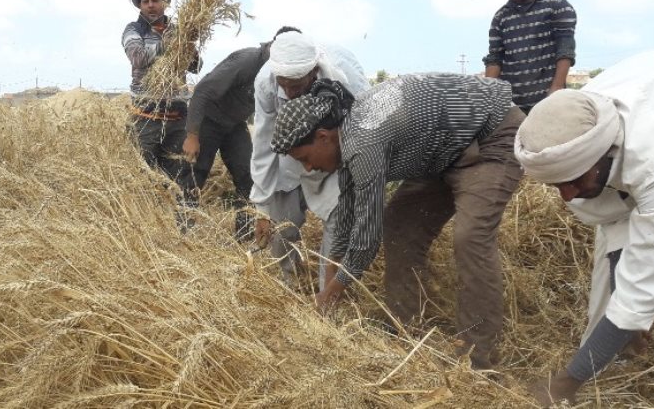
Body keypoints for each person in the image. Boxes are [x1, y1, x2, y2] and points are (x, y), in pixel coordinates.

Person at [513, 43, 654, 406]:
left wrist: (568, 381)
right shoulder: (579, 120)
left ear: (604, 154)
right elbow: (620, 225)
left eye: (573, 181)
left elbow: (648, 272)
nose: (567, 197)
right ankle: (608, 354)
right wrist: (628, 324)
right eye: (557, 185)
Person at [271, 73, 525, 369]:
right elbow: (347, 215)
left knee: (470, 238)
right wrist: (328, 282)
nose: (309, 167)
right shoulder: (348, 136)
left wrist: (333, 292)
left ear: (323, 136)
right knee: (400, 225)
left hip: (491, 135)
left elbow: (366, 237)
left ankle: (478, 360)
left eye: (305, 158)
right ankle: (405, 332)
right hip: (442, 152)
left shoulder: (363, 141)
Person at [250, 31, 369, 286]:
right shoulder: (265, 83)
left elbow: (364, 132)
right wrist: (262, 208)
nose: (290, 92)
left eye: (297, 85)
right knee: (282, 228)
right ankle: (290, 282)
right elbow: (263, 143)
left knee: (339, 222)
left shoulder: (345, 76)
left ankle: (328, 296)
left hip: (334, 159)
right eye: (284, 84)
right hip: (290, 159)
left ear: (314, 71)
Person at [182, 27, 300, 241]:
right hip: (209, 121)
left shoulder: (282, 72)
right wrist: (192, 135)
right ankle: (182, 231)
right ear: (274, 45)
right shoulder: (247, 61)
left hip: (234, 125)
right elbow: (202, 91)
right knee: (195, 173)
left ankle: (243, 236)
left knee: (248, 175)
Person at [122, 0, 200, 198]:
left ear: (164, 3)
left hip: (177, 116)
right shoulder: (133, 30)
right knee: (144, 174)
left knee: (180, 176)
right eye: (145, 1)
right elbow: (137, 57)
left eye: (155, 0)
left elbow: (196, 66)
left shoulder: (178, 31)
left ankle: (182, 225)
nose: (150, 5)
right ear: (139, 5)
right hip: (146, 114)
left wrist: (189, 46)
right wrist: (169, 45)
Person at [483, 0, 577, 113]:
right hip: (512, 105)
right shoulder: (501, 17)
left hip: (548, 101)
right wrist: (485, 96)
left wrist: (557, 88)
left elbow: (565, 50)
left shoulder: (556, 5)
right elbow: (495, 59)